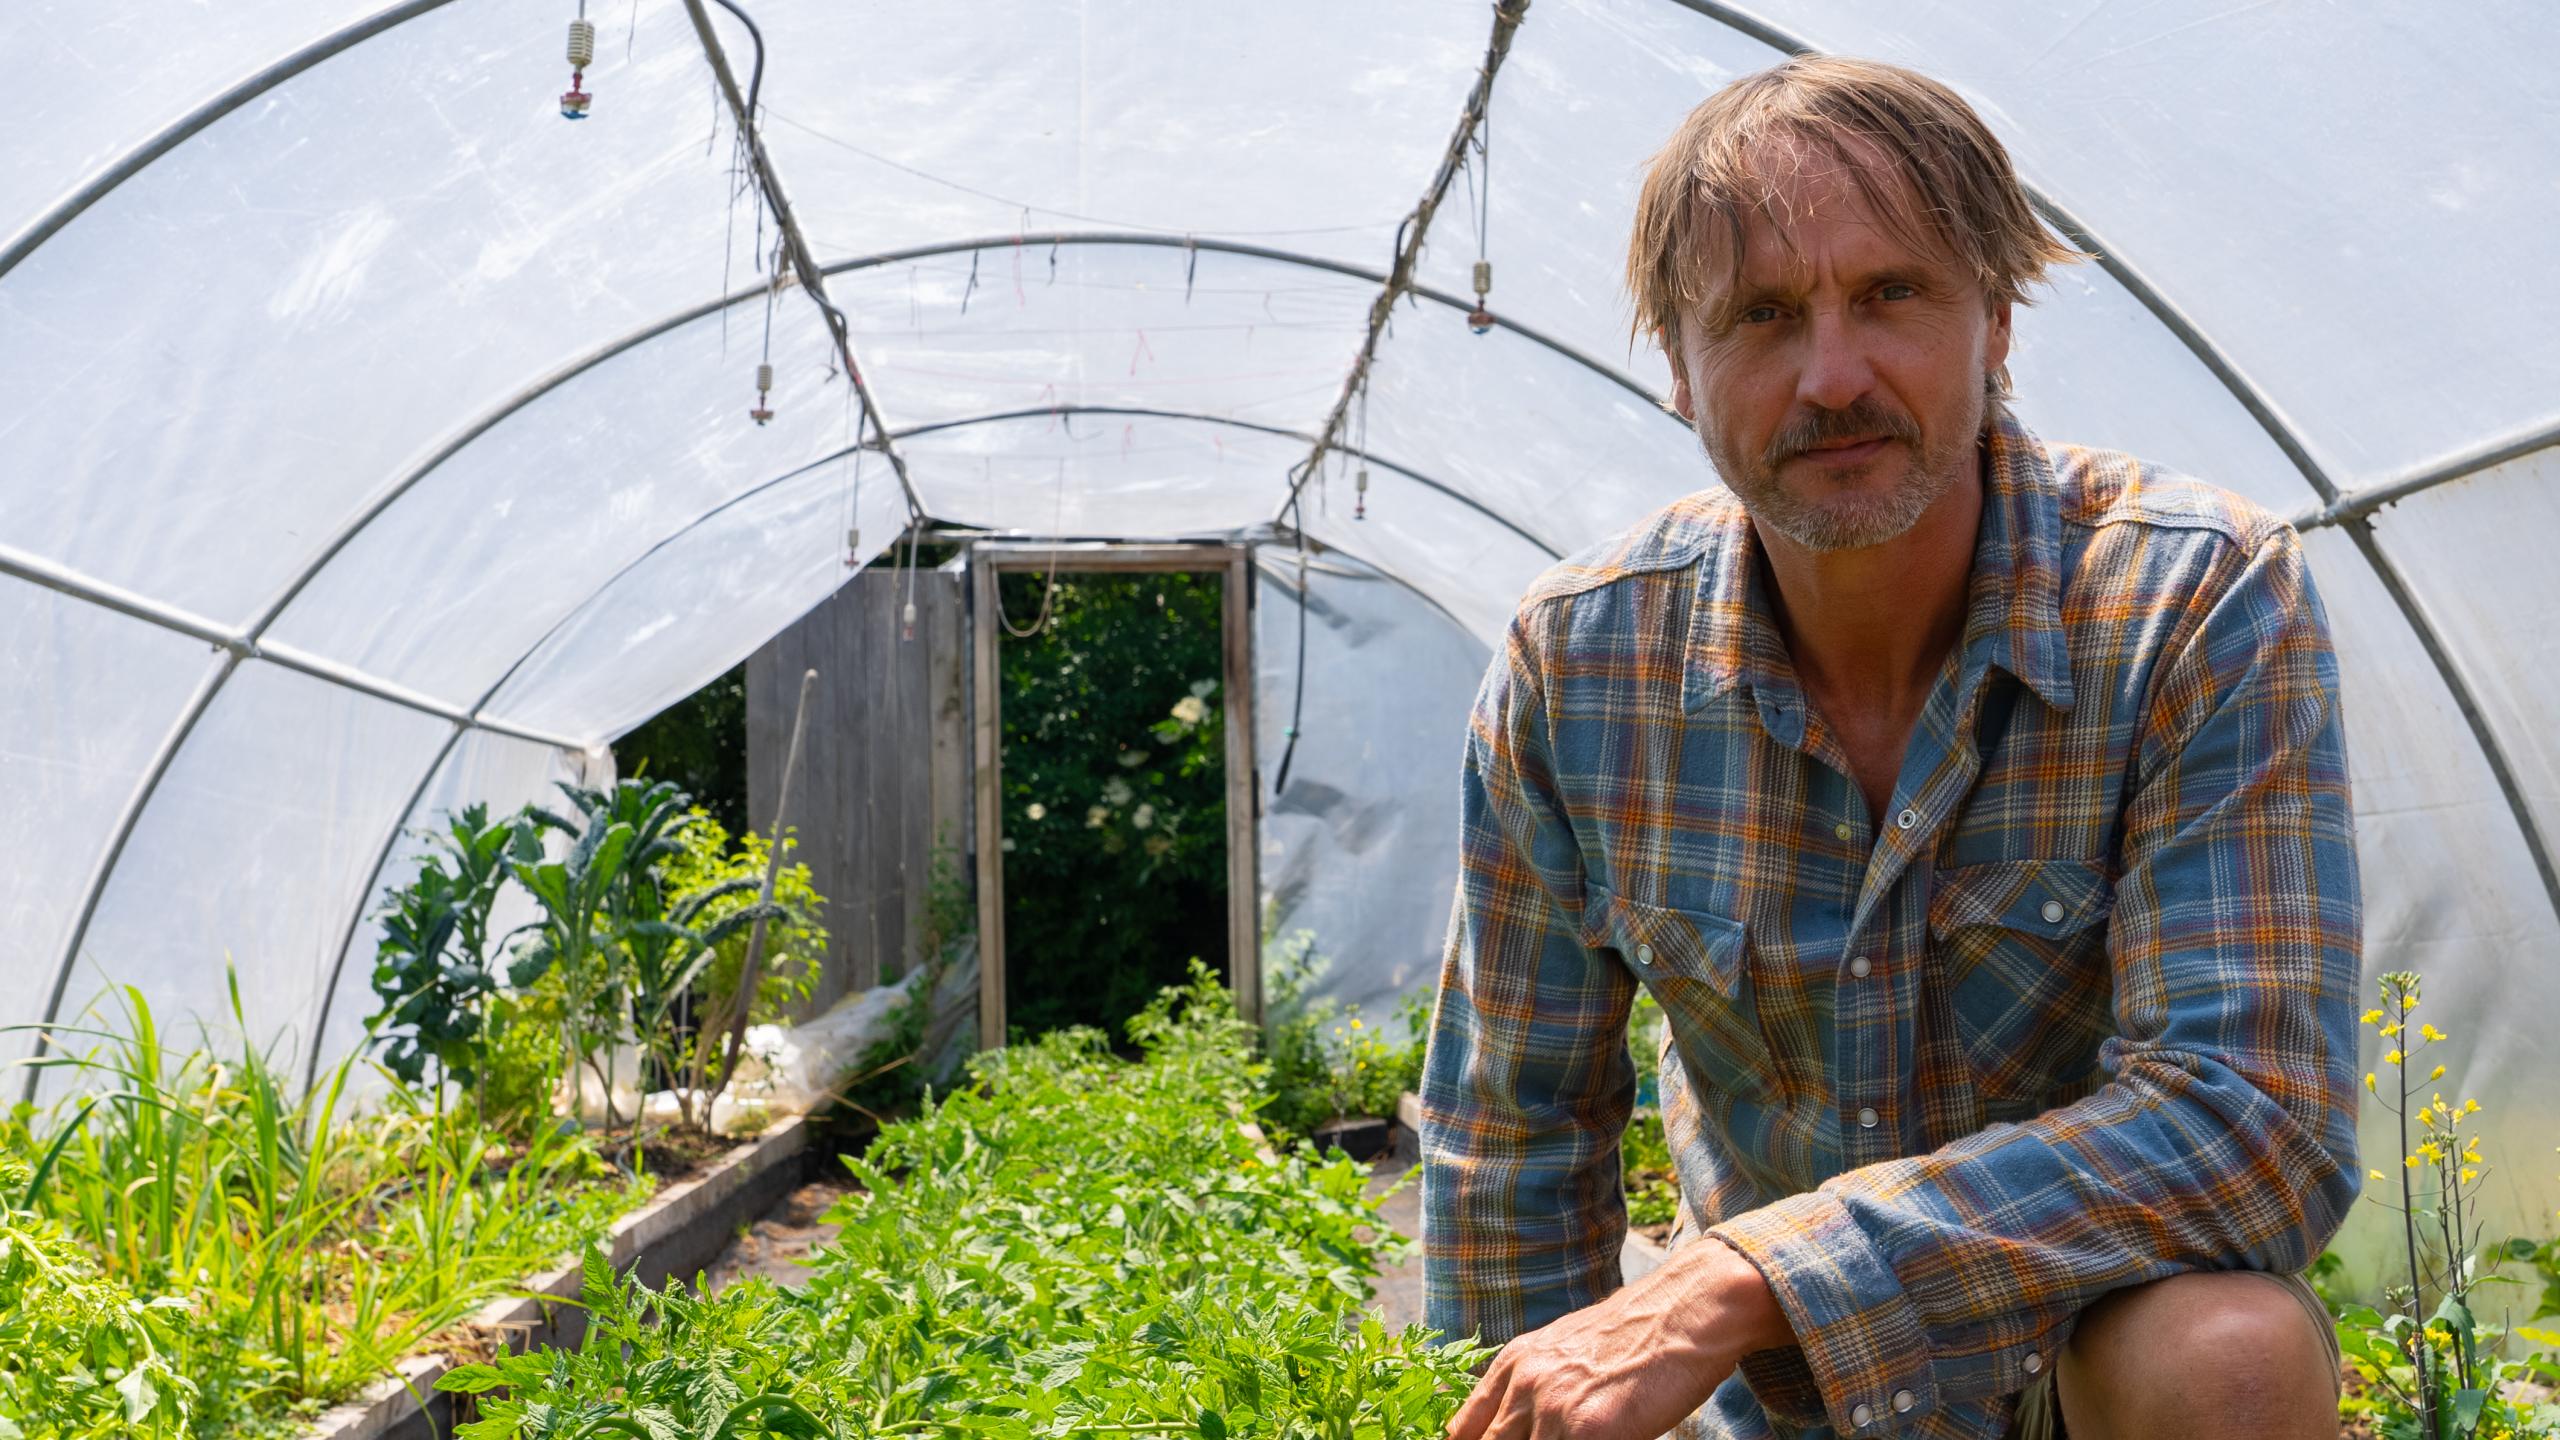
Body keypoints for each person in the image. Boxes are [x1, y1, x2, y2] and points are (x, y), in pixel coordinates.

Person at [1420, 55, 2359, 1440]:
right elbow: (1515, 1137)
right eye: (1759, 316)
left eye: (1892, 294)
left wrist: (1754, 1275)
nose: (1833, 375)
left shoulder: (2189, 600)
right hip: (1767, 1413)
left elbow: (2250, 1120)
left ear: (1998, 323)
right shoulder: (1583, 667)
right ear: (1681, 372)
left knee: (2224, 1353)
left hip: (2064, 1382)